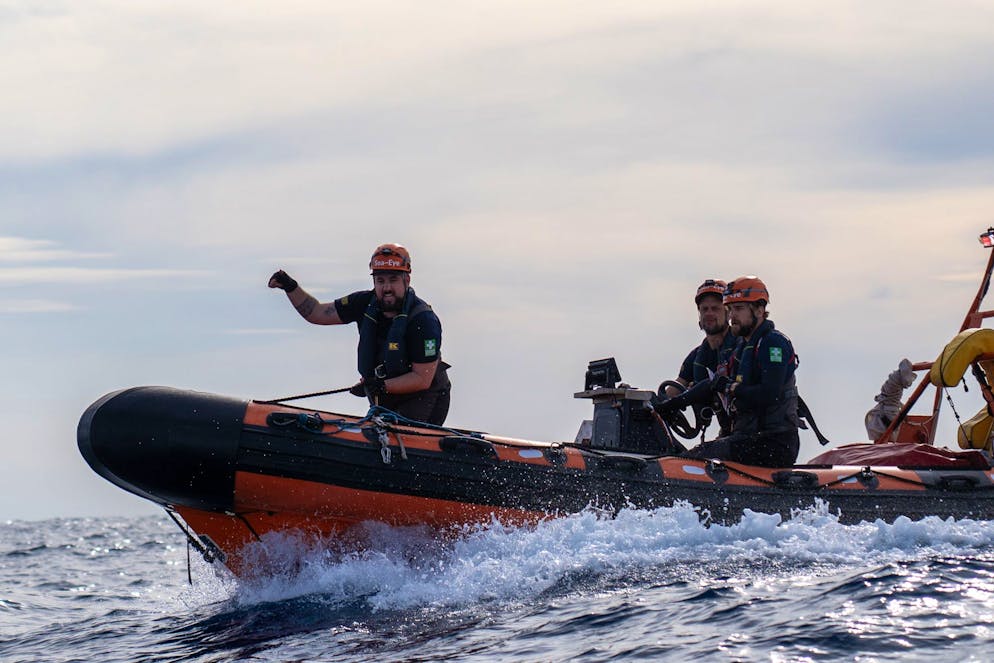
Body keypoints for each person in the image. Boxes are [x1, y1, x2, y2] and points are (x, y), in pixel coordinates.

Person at [268, 243, 451, 425]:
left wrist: (380, 385)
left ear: (407, 280)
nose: (387, 287)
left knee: (394, 440)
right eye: (380, 281)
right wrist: (290, 287)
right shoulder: (362, 303)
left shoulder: (424, 321)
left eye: (393, 279)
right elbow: (317, 313)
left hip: (424, 397)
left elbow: (422, 379)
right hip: (384, 395)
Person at [655, 276, 800, 467]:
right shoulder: (743, 348)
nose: (732, 316)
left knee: (694, 459)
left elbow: (769, 394)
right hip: (747, 439)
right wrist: (671, 405)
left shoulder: (773, 344)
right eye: (731, 309)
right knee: (689, 455)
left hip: (773, 442)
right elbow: (713, 384)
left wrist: (732, 388)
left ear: (759, 309)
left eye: (738, 309)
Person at [664, 279, 738, 436]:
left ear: (728, 313)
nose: (709, 314)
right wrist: (642, 400)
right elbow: (672, 391)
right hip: (728, 433)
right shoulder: (698, 356)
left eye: (715, 308)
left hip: (750, 433)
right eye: (704, 309)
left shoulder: (741, 348)